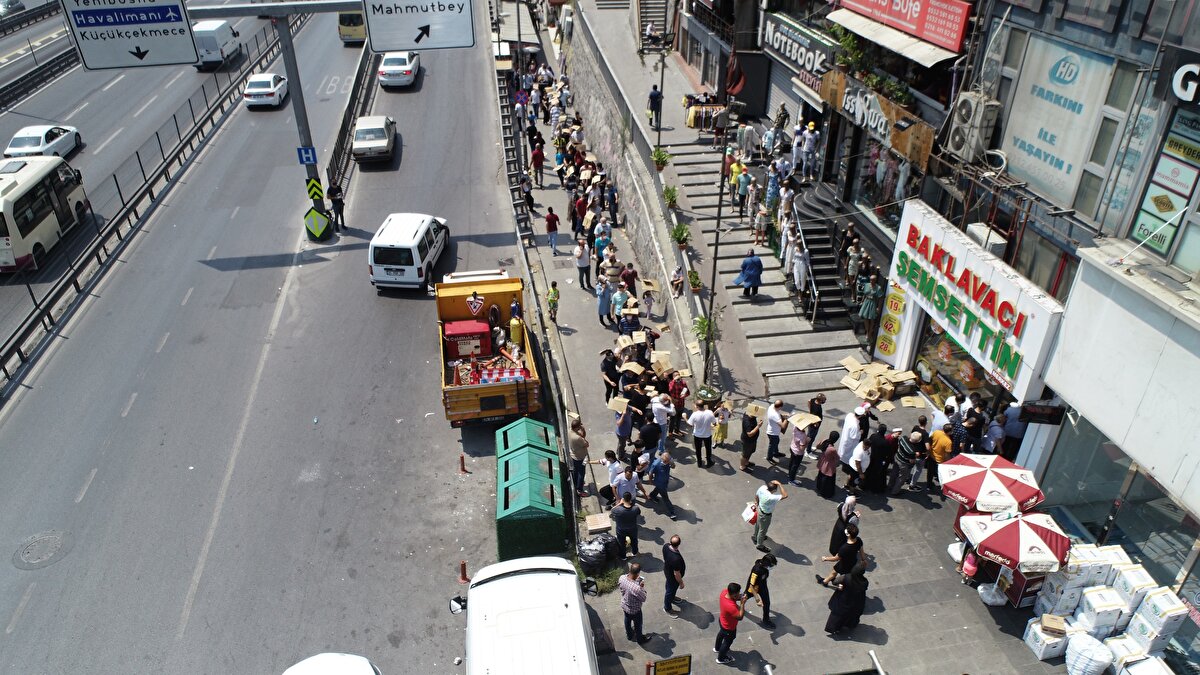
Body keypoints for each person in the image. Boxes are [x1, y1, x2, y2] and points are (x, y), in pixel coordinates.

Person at [825, 562, 869, 635]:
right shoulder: (865, 581)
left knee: (837, 615)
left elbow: (835, 582)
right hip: (856, 601)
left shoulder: (846, 577)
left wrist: (840, 585)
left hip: (844, 599)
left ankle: (833, 628)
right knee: (851, 614)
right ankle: (848, 625)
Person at [714, 582, 748, 665]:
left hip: (722, 621)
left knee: (721, 634)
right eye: (738, 594)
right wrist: (742, 603)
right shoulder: (731, 607)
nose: (739, 594)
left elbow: (734, 598)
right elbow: (740, 617)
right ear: (733, 595)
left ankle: (717, 648)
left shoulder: (724, 592)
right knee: (727, 643)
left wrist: (739, 597)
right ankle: (721, 658)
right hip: (729, 627)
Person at [618, 563, 651, 644]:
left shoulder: (622, 578)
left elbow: (625, 585)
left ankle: (629, 635)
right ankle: (640, 639)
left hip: (625, 606)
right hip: (635, 610)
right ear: (638, 573)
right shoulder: (637, 588)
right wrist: (641, 587)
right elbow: (643, 598)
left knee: (627, 620)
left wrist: (635, 581)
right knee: (638, 625)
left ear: (630, 570)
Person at [752, 480, 787, 553]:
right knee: (763, 530)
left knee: (758, 525)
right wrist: (780, 484)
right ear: (774, 490)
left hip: (760, 509)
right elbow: (785, 495)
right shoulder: (771, 497)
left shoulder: (762, 488)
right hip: (765, 515)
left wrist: (757, 504)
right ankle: (759, 545)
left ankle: (755, 537)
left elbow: (756, 496)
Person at [744, 553, 778, 629]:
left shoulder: (763, 565)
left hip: (762, 586)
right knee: (744, 597)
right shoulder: (756, 570)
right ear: (766, 564)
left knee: (767, 603)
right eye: (771, 565)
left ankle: (766, 620)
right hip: (753, 588)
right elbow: (751, 585)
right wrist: (757, 599)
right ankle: (735, 597)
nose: (772, 567)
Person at [888, 430, 926, 495]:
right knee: (901, 478)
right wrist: (916, 455)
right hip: (904, 464)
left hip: (897, 458)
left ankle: (890, 486)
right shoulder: (912, 451)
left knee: (894, 473)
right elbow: (912, 461)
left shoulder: (903, 438)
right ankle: (895, 491)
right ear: (917, 441)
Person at [611, 491, 643, 558]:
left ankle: (623, 556)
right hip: (632, 529)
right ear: (630, 499)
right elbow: (638, 513)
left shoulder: (618, 510)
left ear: (623, 499)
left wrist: (620, 503)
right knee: (634, 541)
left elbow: (612, 510)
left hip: (621, 530)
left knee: (621, 543)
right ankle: (635, 552)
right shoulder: (636, 508)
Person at [647, 452, 676, 520]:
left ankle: (652, 496)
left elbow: (673, 466)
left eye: (668, 461)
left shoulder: (669, 460)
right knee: (665, 498)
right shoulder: (656, 464)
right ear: (662, 459)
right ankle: (672, 512)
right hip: (659, 483)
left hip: (665, 481)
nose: (667, 462)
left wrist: (672, 464)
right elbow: (650, 473)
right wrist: (650, 481)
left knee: (658, 489)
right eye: (666, 461)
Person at [687, 401, 716, 468]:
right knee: (708, 449)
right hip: (707, 435)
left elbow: (690, 424)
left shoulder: (694, 414)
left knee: (698, 449)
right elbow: (714, 423)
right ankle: (709, 462)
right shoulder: (710, 412)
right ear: (704, 405)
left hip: (697, 435)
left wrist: (685, 417)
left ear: (697, 406)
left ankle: (699, 463)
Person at [662, 535, 686, 616]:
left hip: (667, 571)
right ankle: (667, 608)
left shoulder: (665, 546)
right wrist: (681, 583)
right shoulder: (676, 559)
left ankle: (672, 598)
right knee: (670, 591)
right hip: (673, 577)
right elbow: (677, 574)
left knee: (669, 587)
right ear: (679, 544)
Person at [928, 423, 953, 495]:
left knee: (930, 472)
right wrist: (948, 463)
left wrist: (929, 451)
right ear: (950, 431)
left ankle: (929, 485)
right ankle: (944, 488)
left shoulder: (936, 432)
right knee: (942, 475)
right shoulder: (948, 442)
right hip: (939, 460)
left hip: (931, 456)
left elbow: (930, 440)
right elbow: (947, 454)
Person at [815, 431, 841, 498]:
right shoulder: (832, 449)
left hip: (822, 461)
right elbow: (837, 458)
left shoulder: (824, 441)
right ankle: (825, 493)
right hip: (829, 465)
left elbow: (817, 446)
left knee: (821, 475)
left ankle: (819, 487)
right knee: (827, 480)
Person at [568, 418, 590, 497]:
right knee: (582, 473)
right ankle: (579, 490)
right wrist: (583, 431)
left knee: (576, 470)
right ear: (577, 427)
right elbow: (586, 444)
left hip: (574, 456)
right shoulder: (577, 438)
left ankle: (576, 482)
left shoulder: (570, 431)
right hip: (581, 457)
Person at [765, 399, 788, 464]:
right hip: (773, 433)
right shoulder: (775, 415)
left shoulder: (771, 406)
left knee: (776, 442)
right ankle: (769, 457)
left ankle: (776, 453)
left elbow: (779, 414)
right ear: (780, 407)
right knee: (772, 445)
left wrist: (783, 415)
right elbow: (783, 426)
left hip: (772, 430)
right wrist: (786, 419)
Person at [667, 372, 689, 438]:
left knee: (679, 418)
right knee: (672, 419)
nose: (677, 376)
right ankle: (670, 432)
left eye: (678, 375)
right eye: (675, 375)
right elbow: (670, 390)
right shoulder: (671, 383)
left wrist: (684, 395)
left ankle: (677, 430)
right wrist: (674, 380)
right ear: (673, 377)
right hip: (674, 405)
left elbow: (688, 392)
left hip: (681, 404)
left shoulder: (683, 383)